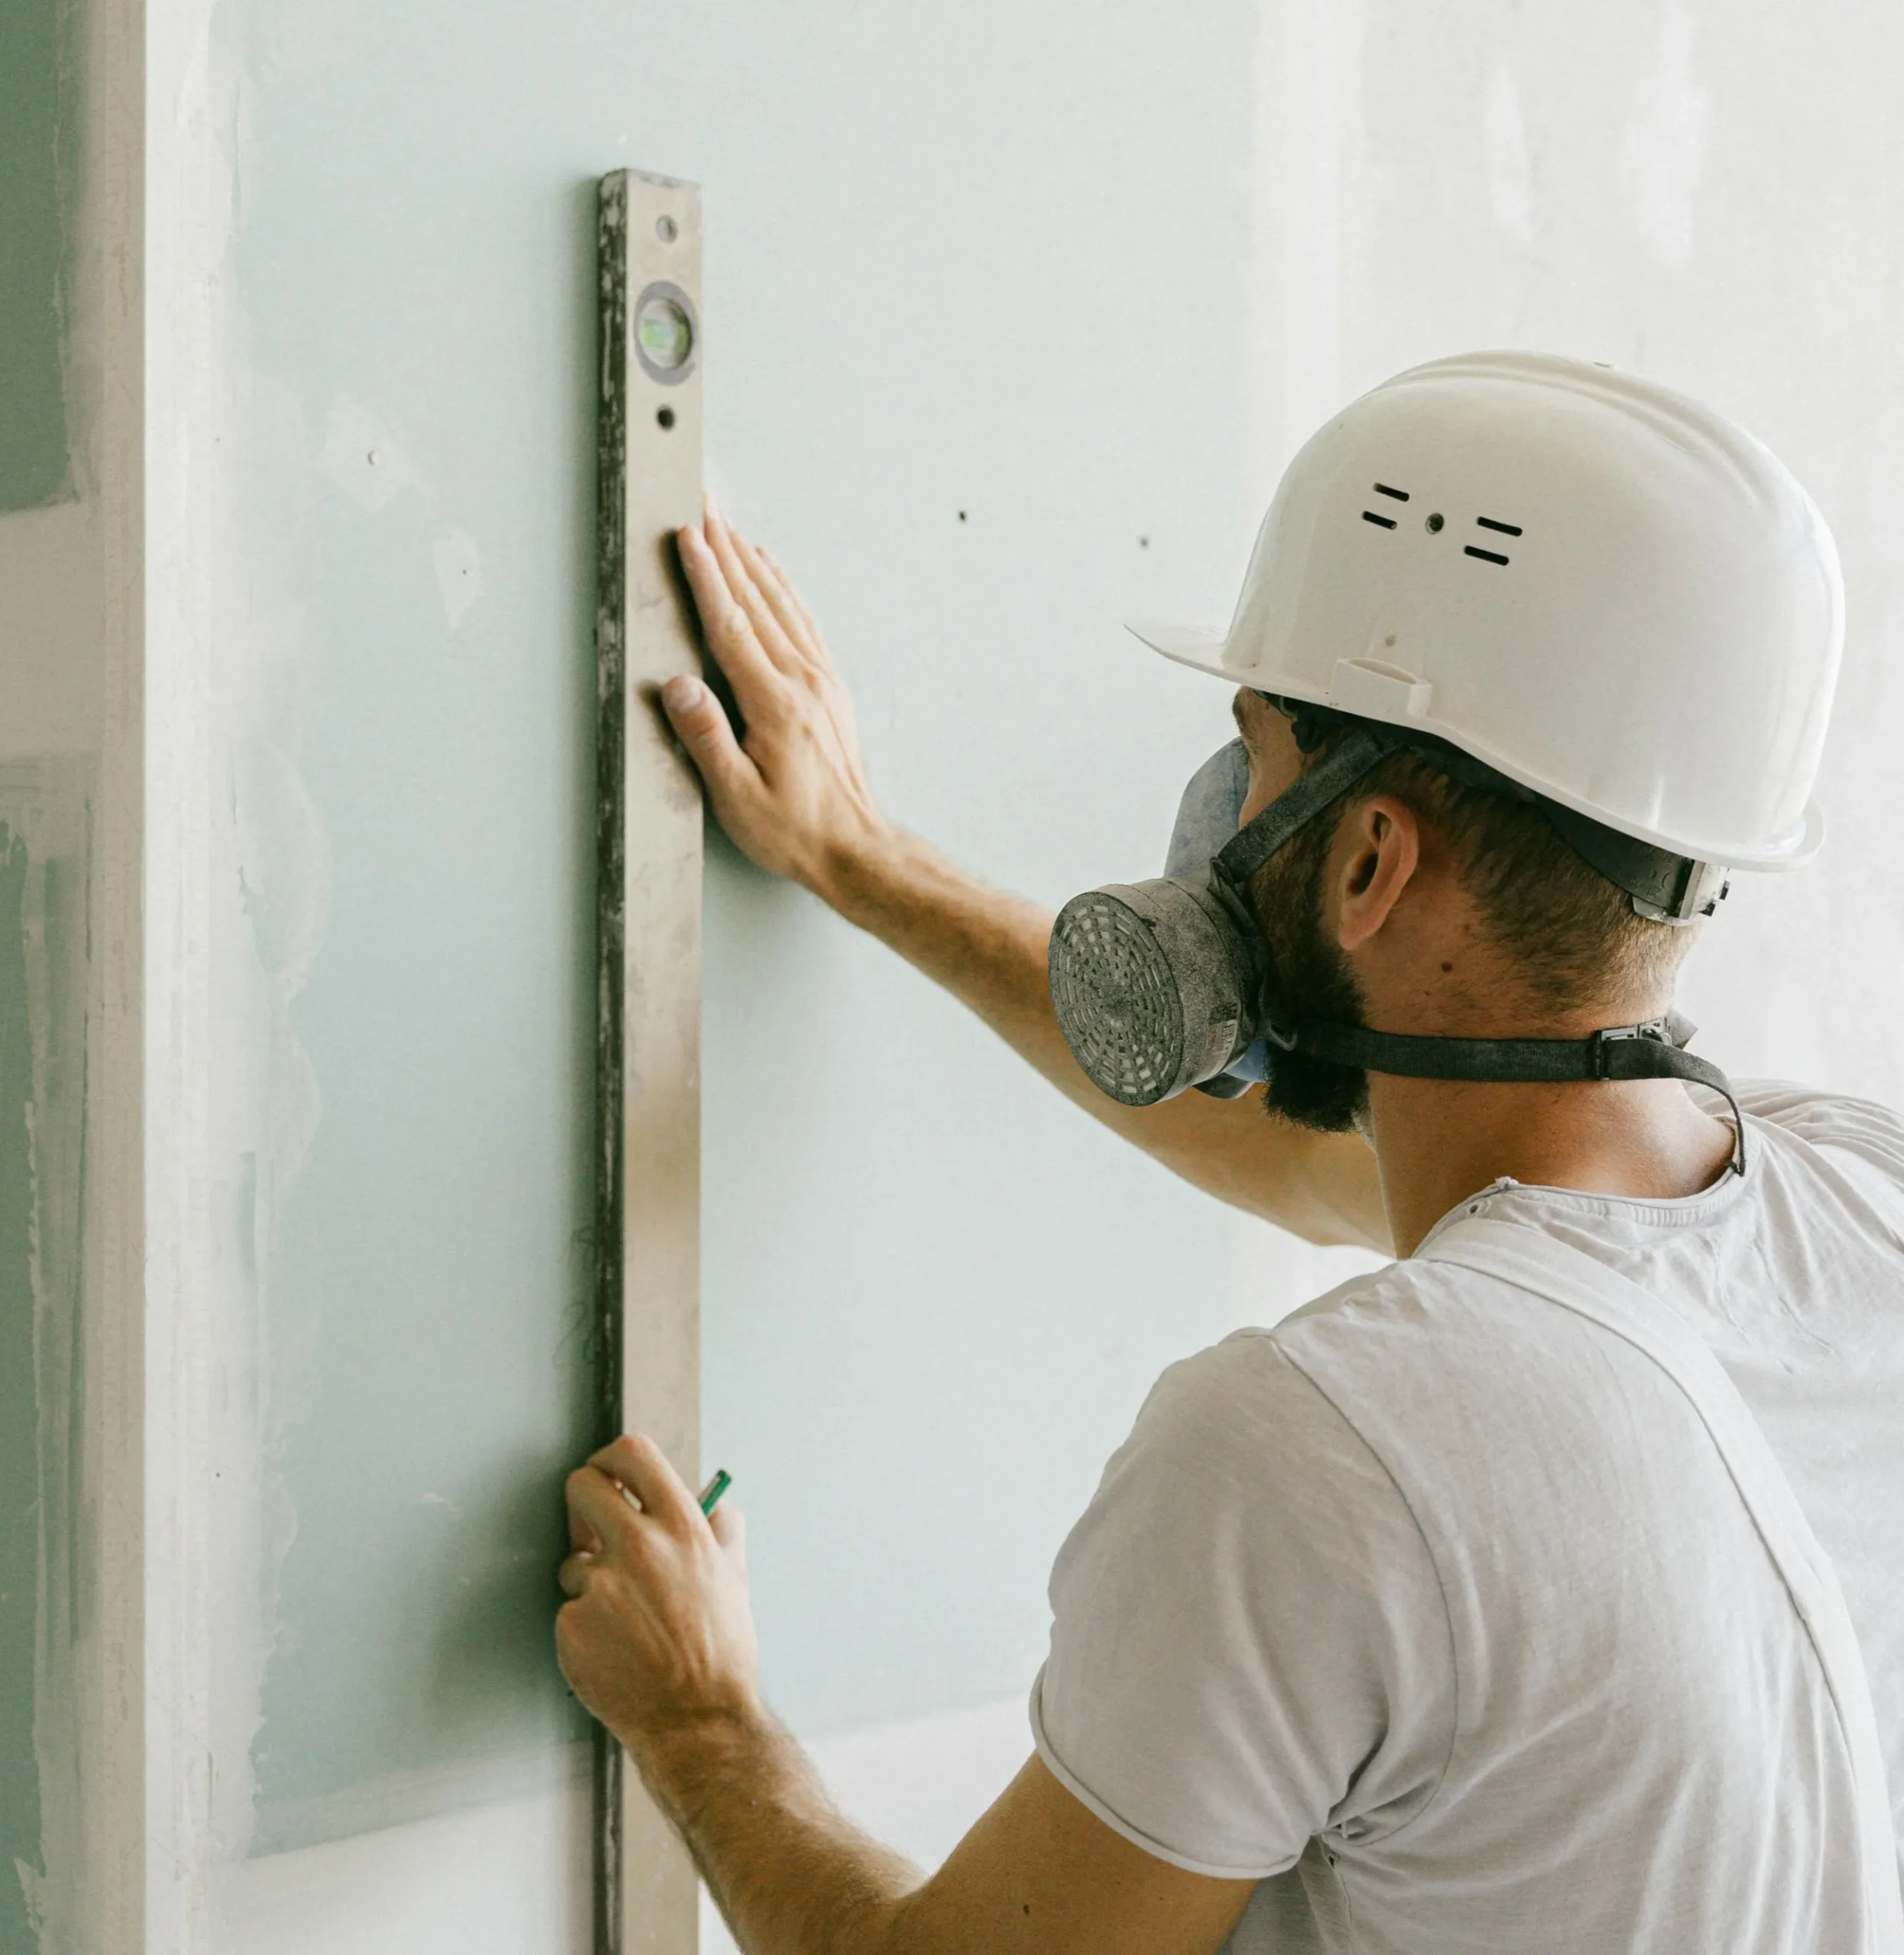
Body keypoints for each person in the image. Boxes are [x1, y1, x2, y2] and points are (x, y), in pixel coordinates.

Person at [554, 353, 1904, 1953]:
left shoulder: (1313, 1454)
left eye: (1255, 753)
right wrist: (861, 856)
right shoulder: (1853, 1207)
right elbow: (1294, 1154)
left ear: (1368, 855)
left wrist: (701, 1724)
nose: (1217, 807)